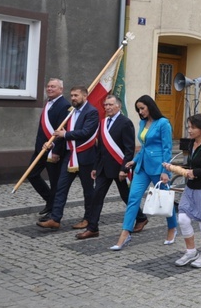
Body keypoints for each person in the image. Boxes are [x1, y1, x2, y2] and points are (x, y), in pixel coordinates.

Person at [75, 95, 147, 240]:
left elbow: (129, 149)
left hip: (118, 167)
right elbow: (100, 147)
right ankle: (92, 228)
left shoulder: (125, 122)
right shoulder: (103, 122)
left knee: (125, 196)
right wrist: (95, 167)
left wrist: (124, 169)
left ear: (118, 106)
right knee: (97, 196)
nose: (107, 107)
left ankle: (140, 218)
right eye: (106, 105)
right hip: (103, 168)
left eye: (110, 104)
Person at [110, 95, 176, 250]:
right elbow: (144, 146)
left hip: (159, 168)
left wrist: (165, 171)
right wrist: (135, 160)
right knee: (133, 198)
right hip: (142, 167)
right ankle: (125, 234)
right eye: (138, 109)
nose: (140, 112)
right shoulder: (142, 122)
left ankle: (172, 228)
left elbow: (167, 149)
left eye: (142, 108)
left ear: (150, 106)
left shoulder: (163, 123)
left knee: (165, 200)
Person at [37, 85, 98, 230]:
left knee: (88, 190)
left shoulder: (92, 112)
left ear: (85, 96)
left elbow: (85, 132)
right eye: (71, 96)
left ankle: (88, 219)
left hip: (85, 157)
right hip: (70, 156)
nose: (73, 98)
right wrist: (52, 144)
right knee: (60, 187)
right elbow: (62, 132)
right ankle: (55, 218)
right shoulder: (71, 112)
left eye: (76, 95)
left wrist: (64, 135)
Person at [163, 114, 201, 269]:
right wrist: (173, 169)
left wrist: (196, 173)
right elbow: (189, 166)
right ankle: (191, 251)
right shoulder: (191, 144)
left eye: (193, 127)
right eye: (188, 127)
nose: (189, 130)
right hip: (190, 189)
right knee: (182, 219)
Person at [29, 78, 70, 220]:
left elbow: (61, 129)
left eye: (53, 87)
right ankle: (49, 200)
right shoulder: (48, 103)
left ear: (61, 89)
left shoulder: (64, 105)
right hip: (41, 148)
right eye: (48, 86)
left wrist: (57, 151)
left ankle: (53, 211)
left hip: (53, 150)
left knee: (55, 181)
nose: (50, 89)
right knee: (32, 174)